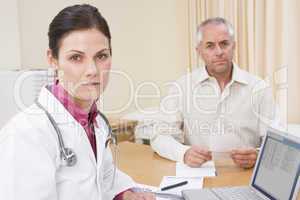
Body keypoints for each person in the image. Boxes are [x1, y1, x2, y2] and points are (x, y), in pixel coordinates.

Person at [0, 4, 154, 200]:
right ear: (52, 59)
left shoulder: (95, 121)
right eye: (76, 57)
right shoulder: (24, 135)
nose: (92, 70)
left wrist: (124, 195)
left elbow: (103, 176)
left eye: (101, 56)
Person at [150, 17, 282, 169]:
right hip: (199, 176)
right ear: (199, 51)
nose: (219, 52)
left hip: (245, 176)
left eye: (224, 44)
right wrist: (184, 153)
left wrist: (258, 155)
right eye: (210, 46)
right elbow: (159, 137)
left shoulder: (259, 88)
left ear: (234, 46)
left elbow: (277, 142)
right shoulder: (182, 87)